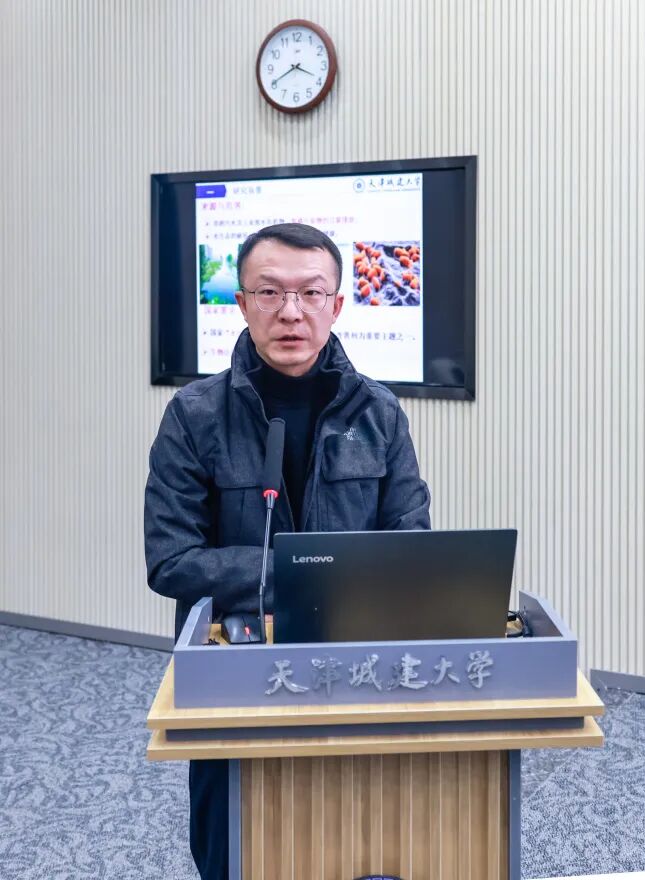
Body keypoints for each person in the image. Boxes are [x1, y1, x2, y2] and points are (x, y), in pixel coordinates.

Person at [144, 222, 430, 879]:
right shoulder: (194, 416)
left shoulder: (380, 413)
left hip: (356, 662)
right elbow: (171, 559)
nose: (291, 312)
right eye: (270, 292)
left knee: (357, 835)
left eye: (310, 293)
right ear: (241, 303)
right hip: (232, 670)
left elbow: (410, 544)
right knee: (236, 848)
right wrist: (310, 576)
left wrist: (329, 584)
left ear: (337, 304)